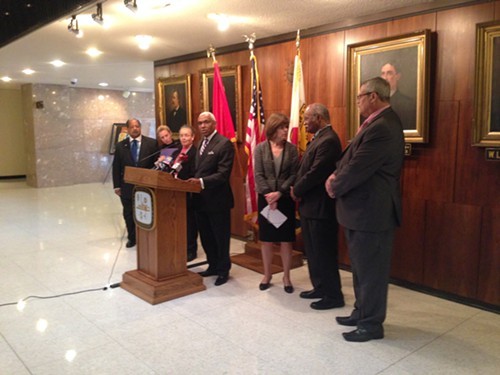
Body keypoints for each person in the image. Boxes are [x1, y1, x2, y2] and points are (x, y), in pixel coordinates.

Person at [325, 77, 404, 342]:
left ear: (373, 96)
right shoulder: (373, 124)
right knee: (360, 268)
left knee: (371, 273)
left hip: (373, 212)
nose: (357, 100)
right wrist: (334, 175)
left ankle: (371, 325)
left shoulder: (383, 126)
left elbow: (359, 167)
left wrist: (335, 186)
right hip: (360, 211)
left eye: (360, 96)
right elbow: (348, 160)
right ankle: (361, 312)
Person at [290, 103, 344, 310]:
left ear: (319, 118)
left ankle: (333, 296)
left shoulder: (329, 140)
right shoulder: (318, 138)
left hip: (321, 207)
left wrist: (297, 190)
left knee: (324, 252)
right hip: (310, 206)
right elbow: (304, 168)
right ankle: (319, 287)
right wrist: (296, 185)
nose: (304, 123)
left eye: (307, 119)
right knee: (312, 252)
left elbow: (316, 172)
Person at [187, 112, 234, 286]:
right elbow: (197, 169)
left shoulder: (224, 144)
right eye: (200, 123)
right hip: (200, 201)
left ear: (214, 124)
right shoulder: (200, 143)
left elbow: (223, 174)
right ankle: (213, 265)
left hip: (218, 201)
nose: (202, 126)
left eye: (206, 122)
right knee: (206, 237)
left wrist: (200, 181)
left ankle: (223, 270)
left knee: (220, 237)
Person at [254, 113, 299, 293]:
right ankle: (267, 274)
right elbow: (258, 174)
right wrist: (268, 195)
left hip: (284, 199)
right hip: (265, 199)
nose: (285, 130)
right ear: (273, 129)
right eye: (282, 127)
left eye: (286, 127)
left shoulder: (292, 149)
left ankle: (286, 276)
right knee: (266, 240)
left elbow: (294, 174)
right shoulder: (260, 149)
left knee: (286, 240)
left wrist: (279, 193)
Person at [112, 118, 159, 248]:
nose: (135, 129)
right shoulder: (121, 146)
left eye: (137, 126)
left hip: (146, 186)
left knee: (146, 212)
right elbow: (116, 167)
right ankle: (132, 237)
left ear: (140, 127)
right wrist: (116, 186)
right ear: (127, 129)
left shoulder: (152, 143)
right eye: (132, 127)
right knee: (128, 212)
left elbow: (157, 165)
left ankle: (146, 237)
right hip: (126, 186)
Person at [171, 125, 198, 262]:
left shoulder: (196, 152)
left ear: (193, 137)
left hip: (188, 193)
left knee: (190, 223)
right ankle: (180, 246)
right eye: (181, 135)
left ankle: (191, 250)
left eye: (186, 135)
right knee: (178, 222)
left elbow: (195, 172)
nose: (183, 138)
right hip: (175, 192)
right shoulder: (176, 152)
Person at [380, 61, 416, 130]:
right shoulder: (375, 102)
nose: (385, 78)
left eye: (389, 73)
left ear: (397, 76)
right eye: (383, 74)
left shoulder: (408, 103)